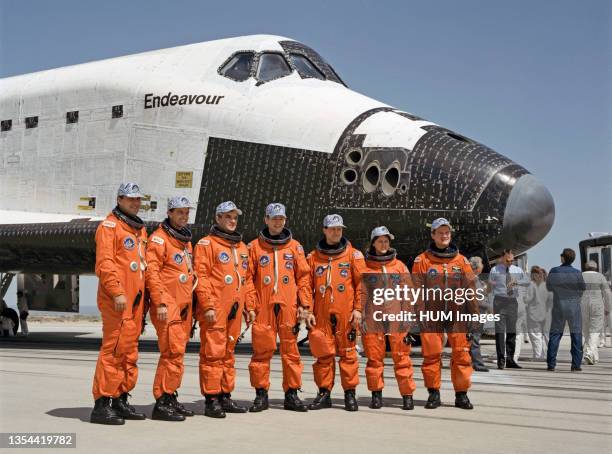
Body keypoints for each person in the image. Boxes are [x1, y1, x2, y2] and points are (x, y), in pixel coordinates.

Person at [90, 183, 148, 425]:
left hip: (134, 303)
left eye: (138, 200)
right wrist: (117, 293)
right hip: (118, 302)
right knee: (113, 351)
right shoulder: (109, 227)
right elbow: (105, 264)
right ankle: (102, 404)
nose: (135, 203)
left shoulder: (138, 230)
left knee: (128, 353)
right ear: (120, 199)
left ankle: (120, 399)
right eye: (131, 199)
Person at [247, 203, 312, 413]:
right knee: (261, 352)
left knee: (291, 352)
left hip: (288, 306)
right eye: (274, 218)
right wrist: (251, 305)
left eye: (281, 218)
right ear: (266, 219)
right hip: (263, 307)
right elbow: (248, 279)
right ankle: (261, 395)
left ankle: (292, 394)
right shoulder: (254, 247)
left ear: (285, 220)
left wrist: (305, 305)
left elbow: (303, 277)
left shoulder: (295, 247)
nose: (277, 222)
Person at [194, 201, 256, 418]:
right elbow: (201, 278)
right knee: (213, 354)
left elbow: (246, 280)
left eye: (235, 218)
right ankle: (211, 399)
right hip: (216, 309)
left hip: (235, 310)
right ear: (218, 218)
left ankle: (225, 395)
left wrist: (250, 306)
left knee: (228, 354)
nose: (232, 221)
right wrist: (208, 305)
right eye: (228, 217)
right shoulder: (206, 245)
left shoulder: (241, 247)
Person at [412, 218, 478, 410]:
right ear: (433, 235)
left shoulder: (461, 261)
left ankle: (461, 395)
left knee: (462, 355)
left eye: (447, 232)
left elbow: (471, 291)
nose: (444, 235)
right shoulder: (422, 261)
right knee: (432, 355)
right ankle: (434, 393)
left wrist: (474, 317)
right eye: (440, 232)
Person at [145, 196, 197, 421]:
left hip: (183, 306)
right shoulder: (159, 240)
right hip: (169, 306)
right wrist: (161, 303)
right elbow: (152, 274)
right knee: (171, 353)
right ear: (169, 213)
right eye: (180, 213)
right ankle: (161, 402)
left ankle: (170, 395)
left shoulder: (185, 241)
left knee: (178, 354)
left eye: (186, 213)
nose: (184, 217)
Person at [305, 214, 364, 411]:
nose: (336, 232)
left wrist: (358, 309)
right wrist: (307, 310)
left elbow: (362, 285)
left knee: (348, 356)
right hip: (321, 315)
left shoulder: (353, 255)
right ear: (324, 230)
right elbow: (306, 286)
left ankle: (350, 394)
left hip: (345, 314)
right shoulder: (313, 258)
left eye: (339, 229)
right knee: (323, 356)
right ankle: (324, 394)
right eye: (332, 229)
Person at [360, 226, 416, 410]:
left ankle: (407, 395)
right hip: (373, 318)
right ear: (373, 243)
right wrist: (361, 317)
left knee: (402, 357)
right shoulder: (365, 267)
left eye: (386, 241)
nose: (383, 244)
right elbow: (361, 294)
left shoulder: (399, 266)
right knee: (374, 359)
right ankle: (376, 395)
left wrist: (407, 315)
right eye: (380, 241)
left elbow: (408, 293)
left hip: (396, 317)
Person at [546, 248, 586, 371]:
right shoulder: (577, 272)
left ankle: (551, 364)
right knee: (576, 335)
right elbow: (582, 288)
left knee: (555, 334)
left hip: (559, 305)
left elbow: (548, 287)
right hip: (574, 306)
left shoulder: (554, 271)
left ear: (563, 258)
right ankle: (576, 364)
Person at [488, 249, 529, 369]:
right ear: (502, 258)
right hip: (499, 302)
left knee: (512, 331)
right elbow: (490, 288)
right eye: (508, 260)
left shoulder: (517, 270)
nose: (510, 262)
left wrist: (518, 282)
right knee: (500, 332)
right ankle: (501, 361)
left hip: (512, 302)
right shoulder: (495, 270)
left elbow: (527, 281)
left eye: (512, 260)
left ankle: (510, 360)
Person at [580, 261, 611, 365]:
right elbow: (607, 293)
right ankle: (589, 352)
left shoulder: (580, 276)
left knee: (586, 330)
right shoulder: (600, 277)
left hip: (582, 305)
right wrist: (608, 308)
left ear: (586, 267)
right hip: (597, 305)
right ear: (596, 268)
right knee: (595, 331)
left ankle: (594, 357)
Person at [523, 266, 552, 360]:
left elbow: (527, 299)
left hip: (534, 314)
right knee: (547, 336)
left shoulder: (532, 285)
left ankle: (538, 356)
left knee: (536, 336)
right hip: (547, 314)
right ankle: (551, 354)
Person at [468, 256, 489, 372]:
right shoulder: (472, 280)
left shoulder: (476, 279)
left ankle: (471, 361)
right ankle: (478, 364)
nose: (483, 266)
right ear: (476, 268)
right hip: (476, 312)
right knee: (474, 338)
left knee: (474, 338)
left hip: (478, 311)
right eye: (481, 264)